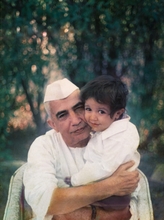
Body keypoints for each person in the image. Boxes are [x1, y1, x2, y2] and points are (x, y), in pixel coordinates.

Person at [23, 78, 139, 220]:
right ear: (53, 124)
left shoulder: (111, 138)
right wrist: (110, 186)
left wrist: (68, 210)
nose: (76, 121)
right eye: (63, 115)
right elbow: (45, 202)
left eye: (79, 108)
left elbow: (127, 211)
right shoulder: (44, 146)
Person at [66, 75, 140, 210]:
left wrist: (75, 180)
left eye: (101, 111)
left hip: (113, 197)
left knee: (68, 206)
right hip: (103, 187)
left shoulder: (121, 136)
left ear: (118, 113)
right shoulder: (106, 129)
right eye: (88, 109)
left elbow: (104, 168)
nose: (92, 117)